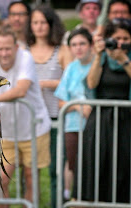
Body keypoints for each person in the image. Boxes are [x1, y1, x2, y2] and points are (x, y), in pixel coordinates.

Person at [0, 28, 51, 207]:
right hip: (6, 132)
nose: (4, 53)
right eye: (0, 49)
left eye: (8, 48)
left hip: (34, 129)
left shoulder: (25, 58)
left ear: (16, 47)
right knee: (0, 179)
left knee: (31, 177)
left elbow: (21, 90)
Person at [73, 18, 131, 203]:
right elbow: (91, 83)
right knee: (97, 168)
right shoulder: (102, 57)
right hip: (101, 122)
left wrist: (125, 61)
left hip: (126, 123)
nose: (121, 43)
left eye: (125, 38)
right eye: (116, 38)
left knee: (123, 169)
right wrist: (98, 55)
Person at [28, 5, 73, 208]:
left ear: (51, 24)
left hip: (55, 118)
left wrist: (45, 83)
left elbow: (71, 80)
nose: (39, 27)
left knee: (56, 169)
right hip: (31, 118)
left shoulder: (62, 50)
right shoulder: (23, 50)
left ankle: (57, 204)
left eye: (43, 22)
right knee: (30, 171)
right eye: (35, 22)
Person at [54, 28, 95, 201]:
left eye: (82, 44)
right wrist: (79, 107)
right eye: (74, 45)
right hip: (73, 125)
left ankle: (90, 197)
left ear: (91, 45)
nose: (78, 48)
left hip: (96, 126)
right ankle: (70, 197)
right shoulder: (70, 68)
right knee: (72, 163)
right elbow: (61, 102)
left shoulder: (98, 65)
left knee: (92, 163)